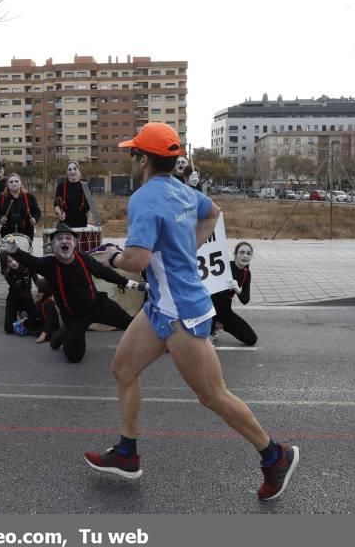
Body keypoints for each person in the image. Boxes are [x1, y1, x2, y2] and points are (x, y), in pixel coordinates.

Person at [83, 122, 299, 502]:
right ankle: (128, 453)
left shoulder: (146, 198)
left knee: (213, 395)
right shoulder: (184, 191)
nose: (132, 160)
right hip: (159, 308)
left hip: (183, 312)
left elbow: (137, 259)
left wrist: (111, 254)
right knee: (123, 368)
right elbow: (213, 212)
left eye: (134, 154)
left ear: (144, 159)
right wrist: (184, 247)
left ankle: (275, 455)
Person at [0, 223, 142, 363]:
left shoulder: (84, 259)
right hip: (74, 317)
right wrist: (16, 252)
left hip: (98, 305)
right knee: (75, 357)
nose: (64, 241)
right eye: (59, 238)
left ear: (74, 243)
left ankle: (159, 344)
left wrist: (130, 284)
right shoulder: (49, 265)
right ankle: (61, 334)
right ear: (53, 245)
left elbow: (104, 273)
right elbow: (32, 261)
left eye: (68, 238)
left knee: (130, 324)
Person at [210, 242, 258, 346]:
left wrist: (238, 290)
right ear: (235, 254)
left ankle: (219, 325)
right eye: (241, 252)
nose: (245, 256)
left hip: (226, 312)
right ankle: (212, 326)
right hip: (210, 310)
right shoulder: (224, 266)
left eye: (248, 253)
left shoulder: (246, 273)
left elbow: (245, 300)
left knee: (251, 339)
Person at [0, 173, 42, 244]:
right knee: (9, 254)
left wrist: (34, 219)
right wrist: (1, 218)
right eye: (11, 182)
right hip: (7, 232)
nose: (14, 183)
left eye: (16, 181)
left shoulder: (30, 197)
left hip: (26, 231)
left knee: (24, 254)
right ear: (7, 184)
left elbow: (37, 211)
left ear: (20, 183)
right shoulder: (2, 198)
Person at [3, 253, 37, 335]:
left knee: (36, 323)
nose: (13, 263)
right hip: (13, 298)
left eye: (15, 259)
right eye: (9, 262)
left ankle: (23, 315)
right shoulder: (7, 272)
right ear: (6, 264)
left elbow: (37, 281)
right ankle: (22, 314)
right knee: (9, 329)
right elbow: (17, 290)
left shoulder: (28, 267)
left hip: (27, 297)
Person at [54, 161, 90, 228]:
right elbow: (56, 205)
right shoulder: (61, 186)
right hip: (65, 226)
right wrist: (59, 213)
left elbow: (90, 208)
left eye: (75, 169)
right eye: (69, 169)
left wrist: (89, 223)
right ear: (67, 172)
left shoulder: (85, 186)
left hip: (82, 226)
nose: (72, 171)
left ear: (78, 171)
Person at [26, 278, 60, 344]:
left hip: (51, 327)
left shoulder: (48, 304)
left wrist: (43, 334)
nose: (33, 289)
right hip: (43, 322)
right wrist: (26, 319)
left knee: (49, 334)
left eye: (36, 287)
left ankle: (41, 333)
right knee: (27, 322)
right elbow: (35, 314)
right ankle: (37, 331)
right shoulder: (39, 301)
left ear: (42, 293)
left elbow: (49, 321)